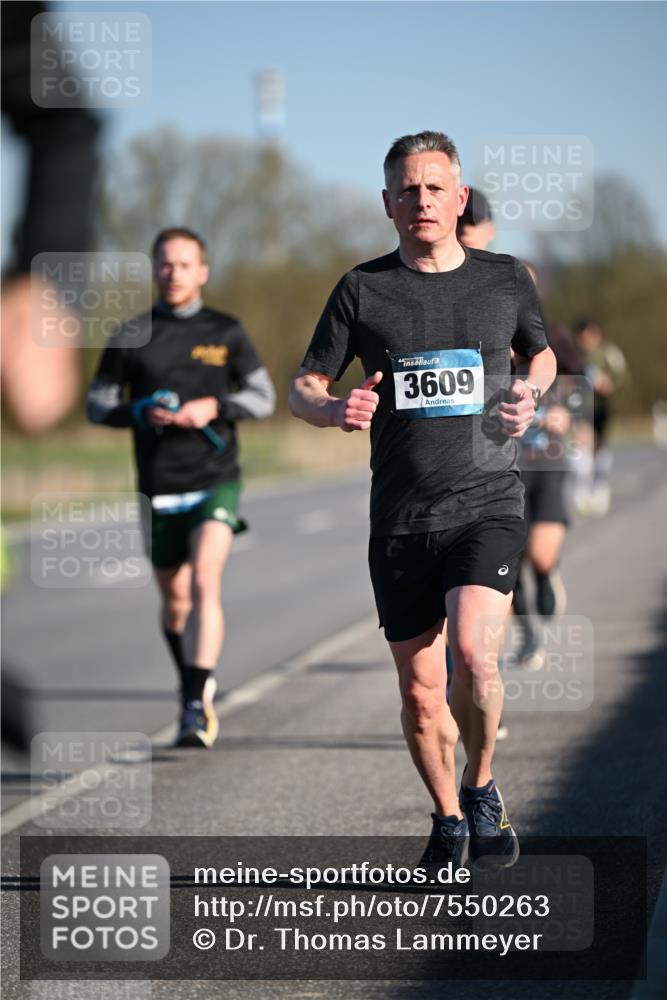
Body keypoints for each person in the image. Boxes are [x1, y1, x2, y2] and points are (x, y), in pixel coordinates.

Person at [289, 132, 556, 870]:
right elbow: (303, 383)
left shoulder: (505, 279)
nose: (421, 200)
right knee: (418, 692)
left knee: (475, 655)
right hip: (402, 519)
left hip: (486, 500)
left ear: (459, 197)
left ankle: (480, 785)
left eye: (435, 187)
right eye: (406, 189)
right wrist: (331, 408)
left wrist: (529, 392)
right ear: (387, 204)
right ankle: (445, 817)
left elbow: (539, 351)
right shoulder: (361, 289)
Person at [87, 228, 276, 747]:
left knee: (203, 584)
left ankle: (195, 705)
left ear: (203, 271)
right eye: (165, 265)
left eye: (184, 264)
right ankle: (191, 681)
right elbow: (96, 404)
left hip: (215, 479)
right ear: (154, 270)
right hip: (157, 485)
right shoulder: (130, 335)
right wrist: (140, 411)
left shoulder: (227, 331)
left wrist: (215, 407)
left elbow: (263, 398)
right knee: (175, 602)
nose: (174, 274)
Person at [572, 319, 627, 516]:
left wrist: (609, 384)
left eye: (591, 335)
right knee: (581, 446)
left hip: (603, 408)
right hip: (580, 408)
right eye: (583, 336)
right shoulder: (574, 354)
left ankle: (601, 489)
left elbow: (621, 377)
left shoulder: (609, 353)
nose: (587, 340)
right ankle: (581, 494)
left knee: (600, 448)